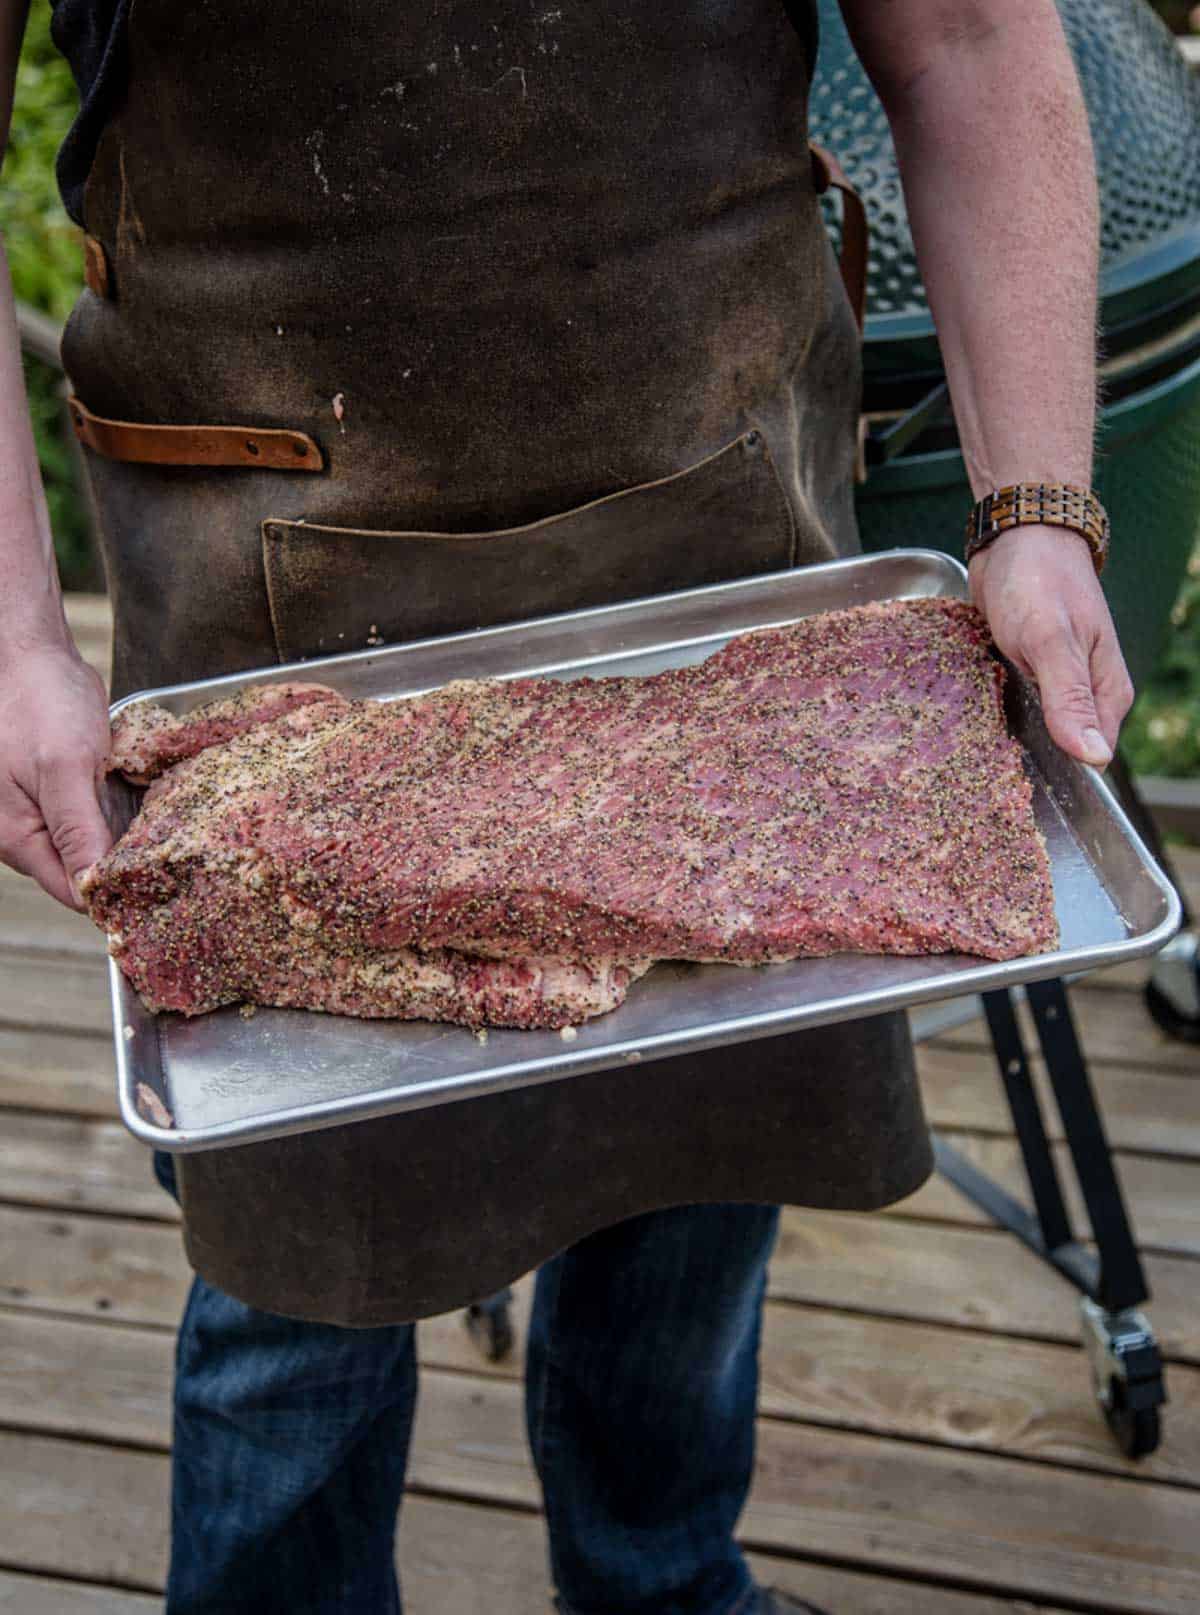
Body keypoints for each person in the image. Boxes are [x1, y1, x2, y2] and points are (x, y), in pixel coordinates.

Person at [0, 1, 1132, 1611]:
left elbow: (967, 41)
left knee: (704, 1176)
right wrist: (10, 639)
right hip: (280, 590)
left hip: (729, 545)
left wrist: (1036, 510)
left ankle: (660, 1580)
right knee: (304, 1301)